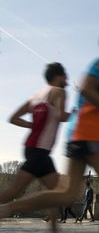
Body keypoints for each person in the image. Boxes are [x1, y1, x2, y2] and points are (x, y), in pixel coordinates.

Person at [0, 29, 99, 233]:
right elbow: (86, 90)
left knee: (66, 194)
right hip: (91, 135)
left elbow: (90, 95)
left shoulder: (39, 94)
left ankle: (11, 208)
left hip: (70, 136)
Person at [2, 62, 69, 232]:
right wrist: (79, 113)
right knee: (14, 193)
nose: (67, 79)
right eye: (64, 75)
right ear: (58, 76)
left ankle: (54, 229)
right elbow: (61, 116)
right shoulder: (59, 91)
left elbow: (13, 118)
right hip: (39, 151)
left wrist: (31, 126)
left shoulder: (37, 96)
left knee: (55, 193)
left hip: (33, 149)